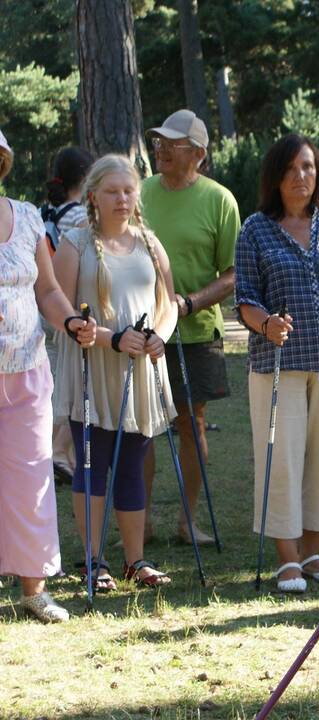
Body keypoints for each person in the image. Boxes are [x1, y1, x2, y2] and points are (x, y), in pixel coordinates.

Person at [53, 154, 179, 589]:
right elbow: (60, 308)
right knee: (92, 464)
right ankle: (93, 561)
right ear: (94, 196)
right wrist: (109, 337)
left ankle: (135, 560)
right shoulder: (75, 244)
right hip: (92, 372)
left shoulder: (149, 242)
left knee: (132, 464)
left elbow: (169, 306)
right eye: (112, 191)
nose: (122, 199)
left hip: (139, 372)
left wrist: (159, 336)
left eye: (128, 191)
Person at [235, 134, 319, 593]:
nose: (300, 177)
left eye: (307, 167)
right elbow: (245, 297)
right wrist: (267, 325)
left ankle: (313, 551)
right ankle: (286, 558)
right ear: (275, 178)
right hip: (277, 363)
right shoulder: (256, 229)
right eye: (290, 170)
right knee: (281, 459)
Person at [0, 128, 96, 622]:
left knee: (30, 474)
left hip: (26, 370)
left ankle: (33, 588)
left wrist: (72, 321)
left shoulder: (28, 217)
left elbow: (49, 292)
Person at [141, 109, 240, 544]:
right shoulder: (140, 193)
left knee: (191, 423)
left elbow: (235, 273)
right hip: (141, 330)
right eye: (158, 141)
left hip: (194, 330)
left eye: (171, 143)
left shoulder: (220, 200)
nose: (160, 148)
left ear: (197, 153)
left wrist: (189, 302)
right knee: (139, 426)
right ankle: (137, 523)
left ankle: (188, 521)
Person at [41, 146, 94, 485]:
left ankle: (56, 452)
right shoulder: (80, 217)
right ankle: (60, 453)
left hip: (50, 307)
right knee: (73, 383)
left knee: (60, 378)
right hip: (71, 306)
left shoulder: (48, 211)